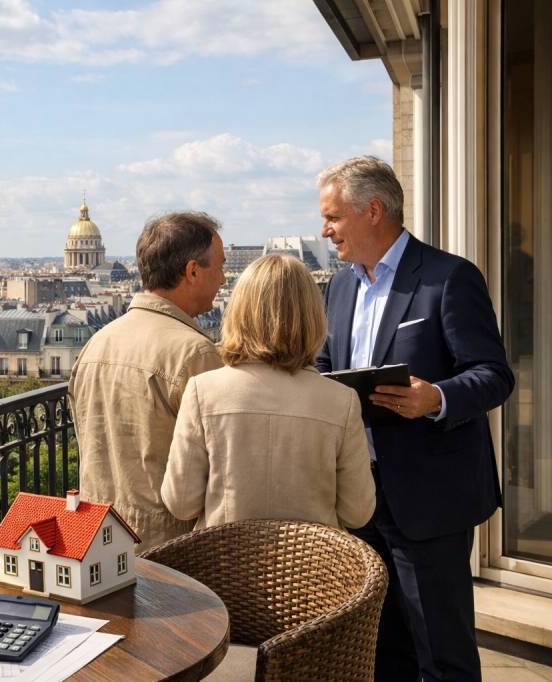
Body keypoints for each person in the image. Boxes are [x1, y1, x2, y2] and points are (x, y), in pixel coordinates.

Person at [316, 156, 514, 681]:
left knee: (441, 654)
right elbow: (323, 368)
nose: (325, 229)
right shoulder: (339, 287)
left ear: (373, 211)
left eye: (333, 217)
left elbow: (493, 375)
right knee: (382, 651)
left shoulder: (449, 278)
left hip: (431, 498)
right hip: (358, 497)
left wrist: (438, 398)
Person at [161, 254, 375, 531]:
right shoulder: (341, 401)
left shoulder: (203, 392)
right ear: (313, 316)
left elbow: (180, 502)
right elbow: (358, 511)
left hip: (225, 562)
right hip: (313, 565)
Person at [68, 211, 225, 552]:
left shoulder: (96, 344)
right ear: (192, 271)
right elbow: (220, 468)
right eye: (220, 267)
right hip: (170, 544)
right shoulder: (194, 353)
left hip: (99, 536)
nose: (224, 279)